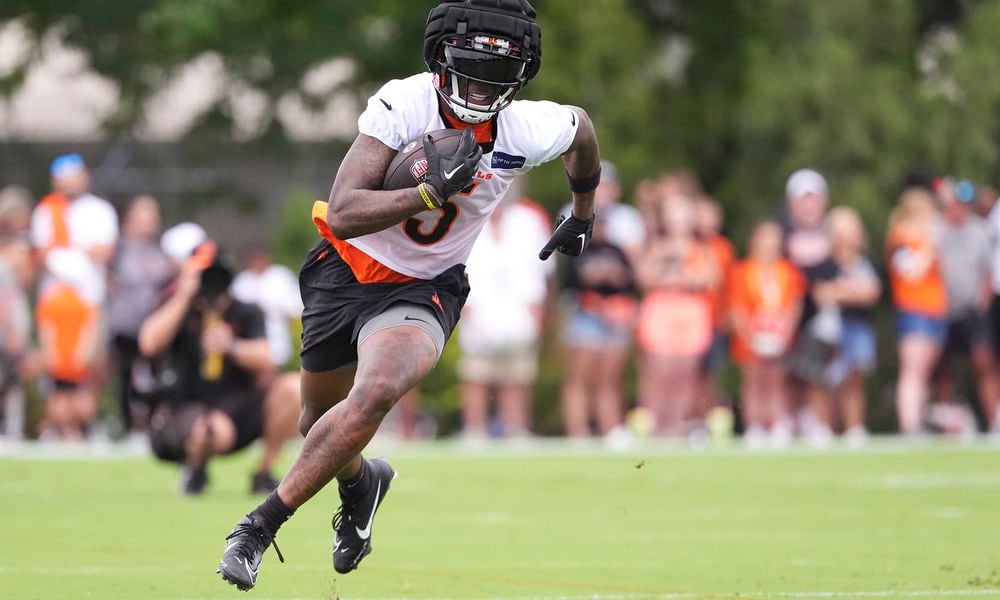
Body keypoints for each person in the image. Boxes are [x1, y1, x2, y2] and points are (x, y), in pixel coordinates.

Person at [217, 0, 600, 590]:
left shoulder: (527, 127)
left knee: (373, 393)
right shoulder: (404, 101)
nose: (478, 88)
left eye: (496, 77)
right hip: (346, 269)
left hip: (426, 284)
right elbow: (343, 213)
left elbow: (583, 130)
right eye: (468, 71)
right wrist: (426, 194)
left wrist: (581, 214)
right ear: (439, 61)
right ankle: (362, 482)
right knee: (317, 421)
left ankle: (259, 527)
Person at [138, 245, 299, 495]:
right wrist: (183, 295)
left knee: (293, 388)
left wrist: (231, 346)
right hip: (188, 405)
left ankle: (264, 471)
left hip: (239, 403)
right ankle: (195, 467)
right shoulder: (180, 310)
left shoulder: (244, 311)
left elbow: (267, 357)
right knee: (213, 431)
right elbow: (148, 343)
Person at [458, 185, 552, 440]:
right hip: (478, 308)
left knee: (517, 375)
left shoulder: (529, 221)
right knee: (475, 374)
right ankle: (474, 431)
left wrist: (536, 308)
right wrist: (465, 307)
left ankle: (516, 429)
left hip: (520, 308)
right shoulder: (467, 220)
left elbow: (541, 265)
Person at [635, 194, 717, 437]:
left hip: (690, 311)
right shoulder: (657, 246)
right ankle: (655, 425)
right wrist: (663, 268)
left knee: (685, 372)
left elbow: (711, 279)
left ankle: (676, 426)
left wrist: (688, 277)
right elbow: (644, 277)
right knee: (660, 370)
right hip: (661, 308)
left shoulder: (701, 247)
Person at [559, 203, 637, 441]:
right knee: (579, 378)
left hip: (613, 317)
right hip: (584, 316)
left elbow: (629, 280)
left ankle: (610, 429)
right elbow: (570, 281)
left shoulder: (617, 250)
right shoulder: (574, 249)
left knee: (610, 379)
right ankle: (577, 432)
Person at [806, 207, 881, 447]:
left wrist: (841, 292)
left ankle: (854, 426)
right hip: (830, 331)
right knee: (824, 379)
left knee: (854, 379)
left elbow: (872, 293)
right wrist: (852, 291)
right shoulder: (823, 265)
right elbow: (821, 294)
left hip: (857, 327)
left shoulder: (865, 264)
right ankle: (822, 425)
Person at [729, 220, 805, 449]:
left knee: (777, 380)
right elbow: (737, 308)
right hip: (752, 333)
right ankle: (754, 425)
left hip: (779, 333)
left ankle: (776, 422)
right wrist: (750, 337)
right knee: (753, 380)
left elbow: (794, 304)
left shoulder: (788, 271)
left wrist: (784, 334)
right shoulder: (742, 271)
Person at [932, 179, 999, 433]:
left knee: (983, 362)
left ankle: (994, 420)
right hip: (942, 309)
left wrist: (982, 300)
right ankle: (944, 424)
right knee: (942, 369)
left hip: (972, 309)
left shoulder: (981, 232)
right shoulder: (938, 230)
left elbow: (989, 271)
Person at [108, 196, 173, 433]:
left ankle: (153, 422)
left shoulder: (159, 250)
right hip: (126, 323)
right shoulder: (120, 248)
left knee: (156, 374)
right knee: (126, 375)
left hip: (152, 324)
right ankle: (126, 423)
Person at [886, 187, 947, 434]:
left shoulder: (929, 237)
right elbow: (911, 272)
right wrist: (928, 250)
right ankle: (909, 423)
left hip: (935, 309)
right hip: (913, 309)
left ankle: (920, 420)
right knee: (913, 369)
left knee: (925, 373)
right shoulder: (901, 238)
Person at [35, 248, 101, 440]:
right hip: (75, 360)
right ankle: (67, 432)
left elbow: (46, 332)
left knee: (61, 398)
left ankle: (65, 431)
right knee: (71, 397)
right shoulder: (83, 302)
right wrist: (85, 354)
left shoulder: (51, 301)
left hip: (62, 360)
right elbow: (90, 332)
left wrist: (49, 353)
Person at [230, 245, 304, 370]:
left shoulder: (281, 276)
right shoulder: (241, 281)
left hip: (276, 337)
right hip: (249, 341)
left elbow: (294, 309)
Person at [0, 186, 36, 439]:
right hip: (6, 319)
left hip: (14, 316)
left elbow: (25, 283)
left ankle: (12, 432)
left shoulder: (22, 249)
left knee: (15, 375)